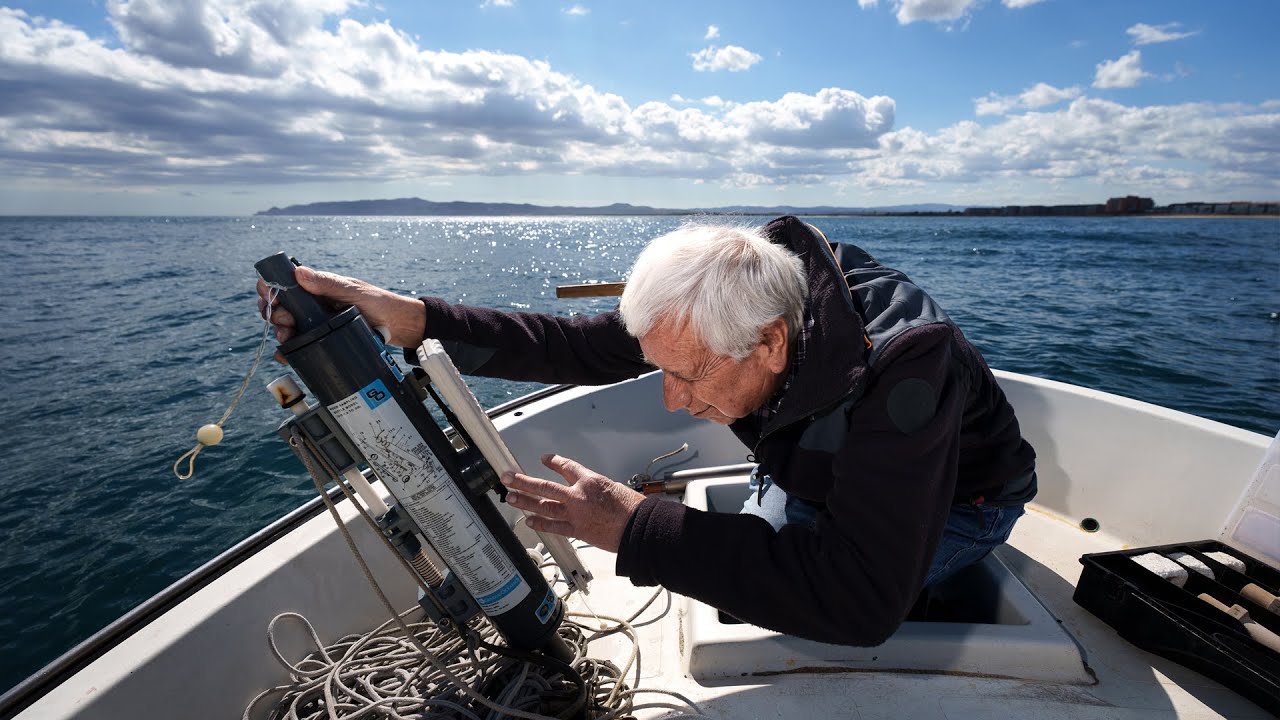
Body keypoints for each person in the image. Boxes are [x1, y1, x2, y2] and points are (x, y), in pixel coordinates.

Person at [258, 215, 1036, 646]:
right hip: (815, 465)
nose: (670, 400)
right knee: (773, 562)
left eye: (689, 376)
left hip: (962, 504)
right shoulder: (729, 307)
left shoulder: (905, 371)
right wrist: (416, 319)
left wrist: (637, 528)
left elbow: (861, 601)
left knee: (822, 614)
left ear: (770, 343)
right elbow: (576, 346)